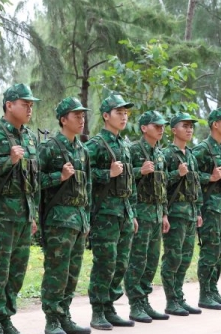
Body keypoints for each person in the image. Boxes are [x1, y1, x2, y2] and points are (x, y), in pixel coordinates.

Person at [0, 84, 41, 334]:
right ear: (9, 105)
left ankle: (6, 317)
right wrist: (8, 160)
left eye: (31, 105)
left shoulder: (29, 137)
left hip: (24, 216)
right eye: (25, 104)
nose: (29, 108)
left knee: (16, 271)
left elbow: (32, 181)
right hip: (0, 215)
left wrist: (33, 214)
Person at [85, 94, 139, 330]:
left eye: (126, 113)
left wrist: (133, 213)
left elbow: (130, 183)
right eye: (119, 112)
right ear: (106, 116)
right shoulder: (95, 145)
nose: (124, 116)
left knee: (121, 263)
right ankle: (98, 309)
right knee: (105, 263)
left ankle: (110, 307)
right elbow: (84, 177)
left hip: (124, 213)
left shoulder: (124, 145)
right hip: (105, 214)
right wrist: (107, 173)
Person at [39, 97, 92, 334]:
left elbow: (87, 187)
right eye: (76, 116)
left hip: (78, 220)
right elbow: (33, 182)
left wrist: (87, 218)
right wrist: (57, 178)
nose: (81, 120)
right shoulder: (49, 148)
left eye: (83, 116)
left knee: (72, 272)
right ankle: (52, 320)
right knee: (57, 271)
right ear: (63, 120)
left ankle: (65, 316)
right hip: (58, 221)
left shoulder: (82, 150)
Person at [125, 110, 170, 323]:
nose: (161, 129)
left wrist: (164, 214)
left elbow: (162, 187)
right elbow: (123, 181)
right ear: (144, 128)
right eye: (156, 125)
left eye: (162, 126)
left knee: (151, 260)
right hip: (141, 213)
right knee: (138, 260)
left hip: (156, 214)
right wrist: (138, 171)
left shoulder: (159, 153)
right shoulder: (133, 150)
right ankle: (135, 304)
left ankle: (144, 300)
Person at [192, 107, 221, 310]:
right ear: (214, 124)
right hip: (209, 208)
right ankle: (204, 294)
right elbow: (191, 178)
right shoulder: (202, 149)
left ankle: (213, 289)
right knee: (210, 251)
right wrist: (208, 177)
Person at [160, 113, 203, 317]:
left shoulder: (191, 155)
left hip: (190, 213)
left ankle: (179, 297)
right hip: (175, 213)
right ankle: (171, 300)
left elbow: (196, 186)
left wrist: (199, 211)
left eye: (191, 127)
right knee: (173, 257)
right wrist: (177, 173)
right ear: (173, 129)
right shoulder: (167, 154)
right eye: (185, 126)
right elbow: (159, 185)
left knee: (185, 258)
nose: (189, 130)